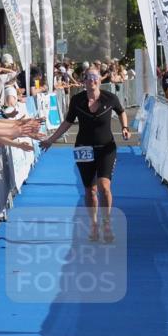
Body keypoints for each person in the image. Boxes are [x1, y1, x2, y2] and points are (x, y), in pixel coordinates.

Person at [40, 65, 130, 243]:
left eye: (95, 77)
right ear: (83, 81)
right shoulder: (77, 100)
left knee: (104, 187)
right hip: (84, 149)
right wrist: (51, 139)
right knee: (90, 190)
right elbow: (67, 122)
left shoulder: (110, 98)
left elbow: (121, 112)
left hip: (106, 148)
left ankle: (106, 223)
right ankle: (94, 224)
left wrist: (125, 128)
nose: (93, 80)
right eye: (89, 77)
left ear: (100, 80)